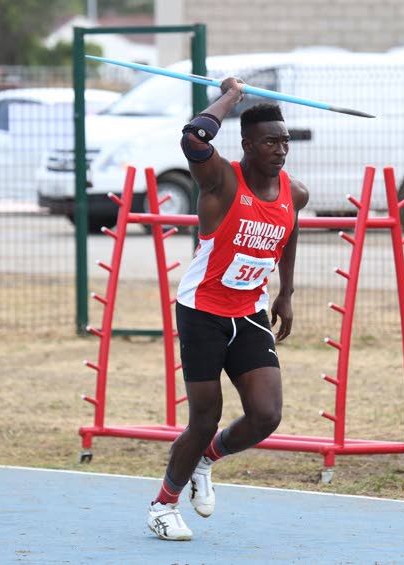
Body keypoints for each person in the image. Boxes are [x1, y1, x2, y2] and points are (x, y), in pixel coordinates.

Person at [146, 77, 309, 541]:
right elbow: (193, 138)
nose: (281, 150)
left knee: (266, 414)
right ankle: (162, 504)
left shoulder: (295, 193)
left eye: (285, 141)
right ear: (248, 145)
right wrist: (233, 97)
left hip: (250, 311)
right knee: (204, 417)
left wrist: (287, 292)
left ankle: (205, 461)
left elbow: (290, 228)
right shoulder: (221, 179)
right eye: (271, 142)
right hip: (202, 311)